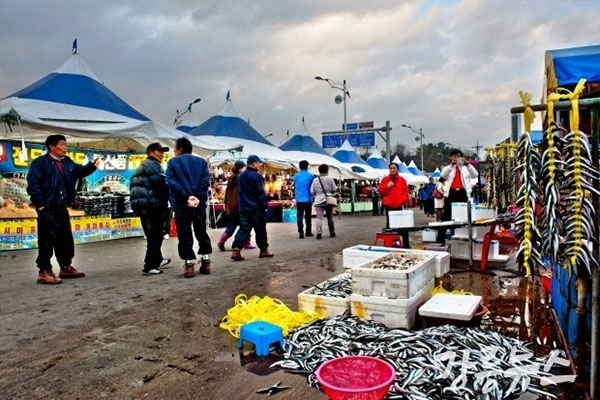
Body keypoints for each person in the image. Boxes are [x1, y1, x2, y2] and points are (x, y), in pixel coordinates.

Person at [26, 134, 99, 284]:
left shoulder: (67, 162)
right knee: (47, 240)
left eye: (66, 144)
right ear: (52, 147)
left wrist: (92, 166)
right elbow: (33, 186)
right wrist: (40, 204)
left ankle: (65, 266)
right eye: (61, 144)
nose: (65, 147)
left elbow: (79, 172)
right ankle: (44, 271)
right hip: (47, 207)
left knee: (65, 238)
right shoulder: (40, 163)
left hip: (62, 207)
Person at [166, 137, 212, 278]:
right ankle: (206, 261)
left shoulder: (172, 163)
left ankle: (189, 264)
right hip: (199, 204)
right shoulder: (202, 162)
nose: (174, 150)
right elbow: (205, 181)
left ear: (180, 148)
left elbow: (172, 182)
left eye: (175, 148)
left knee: (185, 234)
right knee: (201, 231)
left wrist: (187, 197)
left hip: (181, 204)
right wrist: (197, 197)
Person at [130, 142, 171, 275]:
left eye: (162, 152)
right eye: (159, 151)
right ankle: (150, 265)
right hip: (152, 205)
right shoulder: (153, 165)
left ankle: (158, 259)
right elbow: (162, 184)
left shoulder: (144, 165)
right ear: (151, 152)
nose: (162, 154)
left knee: (152, 234)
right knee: (155, 235)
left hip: (143, 205)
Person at [231, 155, 274, 261]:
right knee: (260, 230)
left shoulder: (240, 176)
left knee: (244, 229)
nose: (259, 165)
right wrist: (265, 205)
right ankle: (263, 250)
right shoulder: (257, 176)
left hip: (244, 208)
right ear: (254, 163)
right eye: (258, 163)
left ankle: (236, 250)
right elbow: (260, 192)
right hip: (256, 208)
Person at [436, 149, 479, 244]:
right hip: (451, 193)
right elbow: (443, 176)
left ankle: (464, 237)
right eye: (454, 156)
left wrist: (468, 164)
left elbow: (475, 175)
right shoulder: (448, 168)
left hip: (463, 193)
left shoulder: (465, 168)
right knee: (446, 216)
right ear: (451, 157)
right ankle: (440, 238)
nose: (457, 158)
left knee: (464, 216)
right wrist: (452, 165)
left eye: (458, 156)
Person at [217, 160, 255, 251]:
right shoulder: (242, 178)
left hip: (232, 206)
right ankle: (247, 243)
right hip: (241, 205)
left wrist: (226, 204)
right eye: (244, 167)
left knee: (231, 225)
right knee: (247, 225)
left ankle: (221, 242)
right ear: (241, 168)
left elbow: (227, 193)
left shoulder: (231, 179)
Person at [378, 162, 410, 248]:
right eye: (391, 168)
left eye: (394, 168)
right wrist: (387, 187)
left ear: (397, 169)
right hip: (388, 206)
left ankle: (405, 246)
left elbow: (406, 191)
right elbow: (380, 191)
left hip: (399, 206)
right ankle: (390, 245)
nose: (392, 169)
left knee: (402, 227)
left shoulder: (402, 180)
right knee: (389, 225)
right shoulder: (385, 179)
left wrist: (402, 200)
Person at [309, 164, 337, 239]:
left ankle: (319, 233)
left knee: (319, 218)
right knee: (330, 217)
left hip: (318, 201)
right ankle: (332, 232)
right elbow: (334, 189)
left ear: (319, 171)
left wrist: (317, 194)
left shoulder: (315, 180)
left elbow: (311, 191)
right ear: (327, 170)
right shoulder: (330, 179)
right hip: (328, 200)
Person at [293, 160, 314, 239]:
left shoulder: (296, 176)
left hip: (299, 199)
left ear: (299, 167)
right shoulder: (311, 176)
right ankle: (308, 231)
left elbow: (295, 185)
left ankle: (300, 231)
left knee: (299, 216)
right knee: (308, 216)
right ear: (307, 166)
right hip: (308, 199)